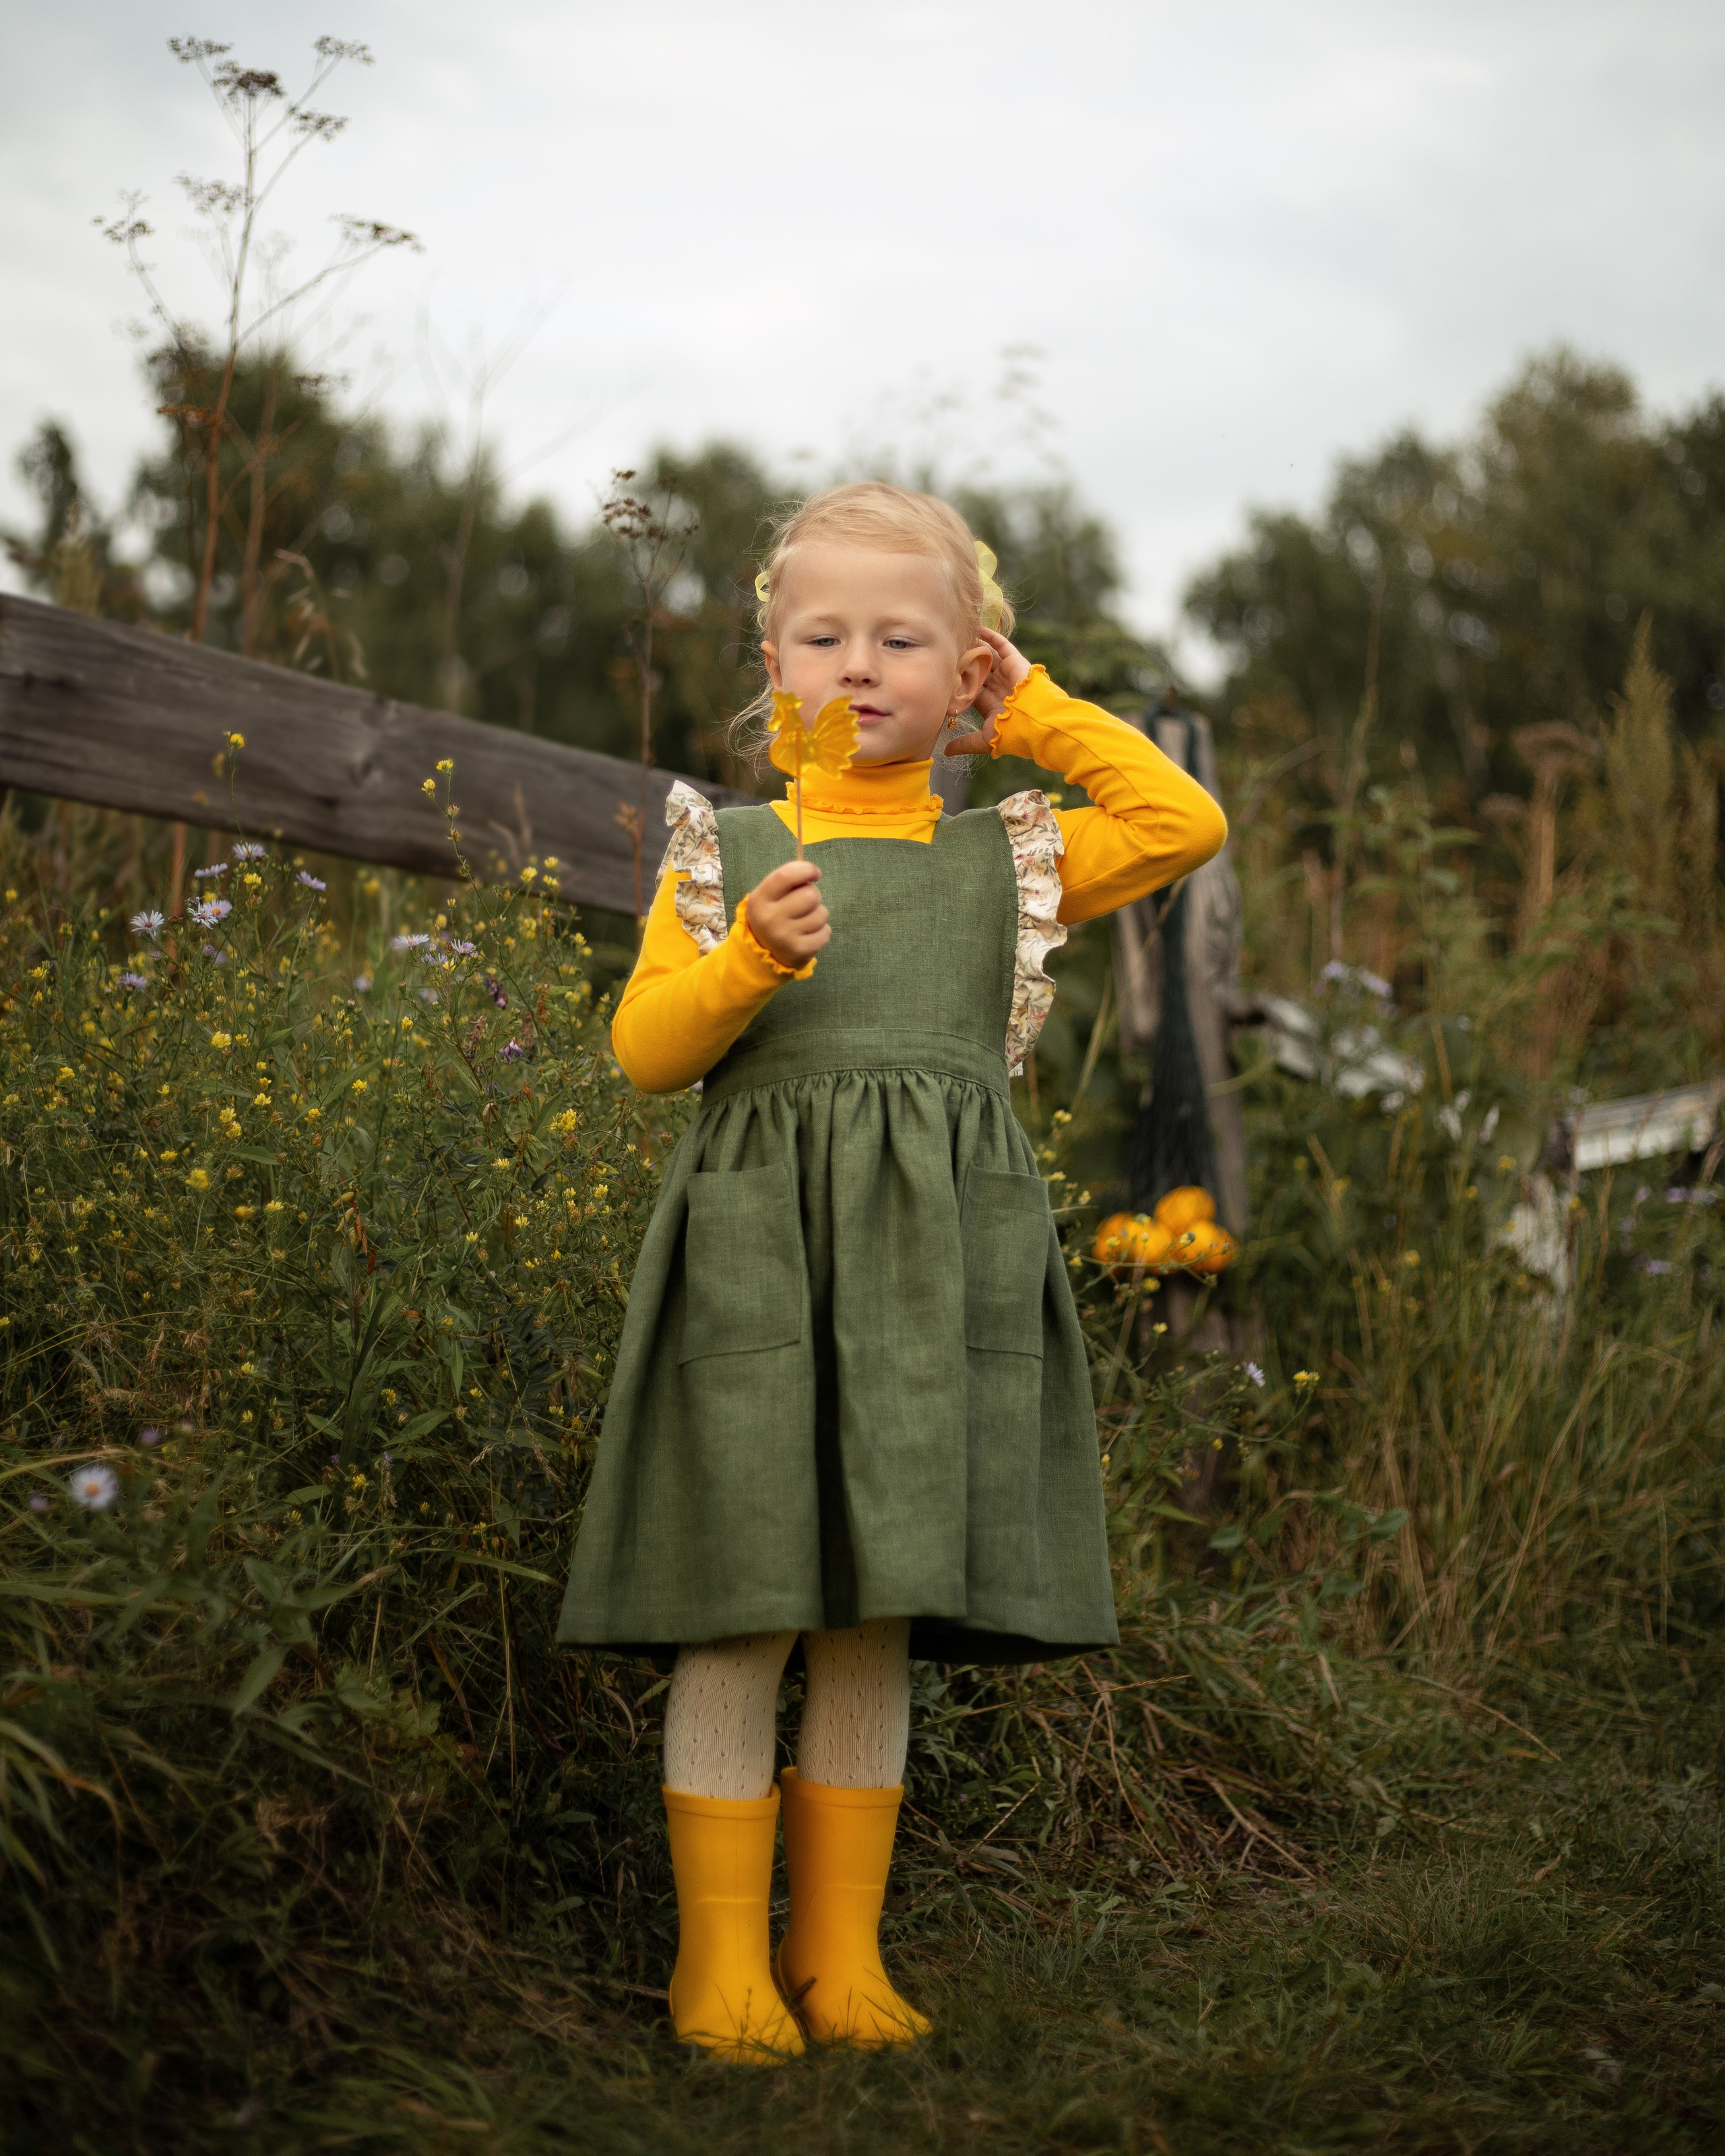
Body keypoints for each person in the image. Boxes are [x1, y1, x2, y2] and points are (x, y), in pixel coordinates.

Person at [557, 481, 1226, 2060]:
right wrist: (744, 965)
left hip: (934, 1278)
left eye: (901, 638)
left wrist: (1038, 707)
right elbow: (645, 1054)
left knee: (872, 1616)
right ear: (770, 659)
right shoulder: (731, 850)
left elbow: (1183, 821)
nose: (856, 665)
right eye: (818, 634)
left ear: (962, 667)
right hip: (757, 1269)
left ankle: (837, 1957)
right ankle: (713, 1967)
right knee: (743, 1608)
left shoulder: (1010, 857)